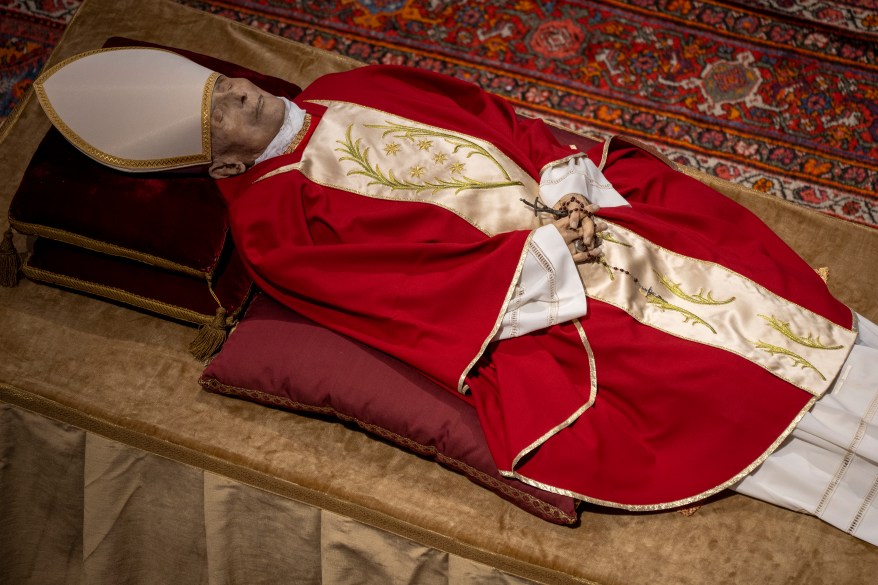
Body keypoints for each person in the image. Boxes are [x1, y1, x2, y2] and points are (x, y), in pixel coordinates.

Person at [35, 48, 878, 545]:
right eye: (220, 112)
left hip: (570, 212)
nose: (239, 93)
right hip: (532, 297)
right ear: (217, 162)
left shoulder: (342, 87)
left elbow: (491, 118)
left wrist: (565, 184)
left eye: (224, 84)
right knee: (688, 376)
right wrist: (553, 249)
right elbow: (407, 296)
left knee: (711, 248)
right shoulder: (271, 223)